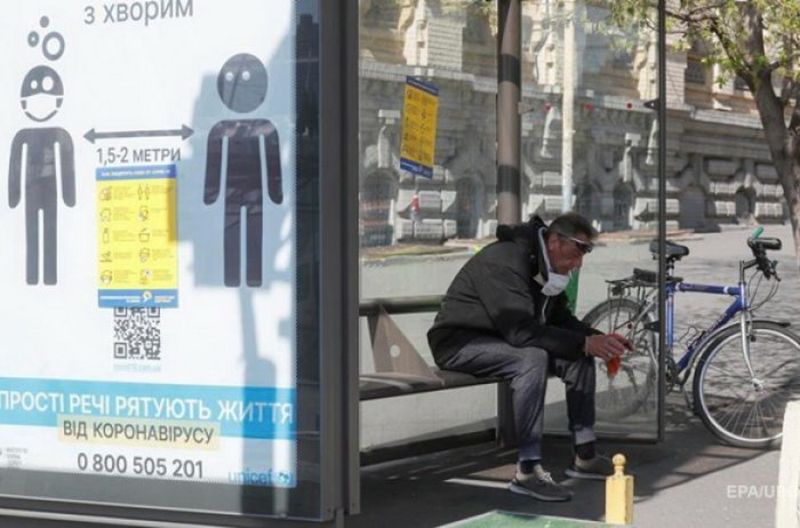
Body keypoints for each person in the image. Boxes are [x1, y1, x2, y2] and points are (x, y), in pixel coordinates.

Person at [427, 212, 632, 502]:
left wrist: (598, 339)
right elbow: (520, 332)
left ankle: (585, 455)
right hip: (460, 343)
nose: (579, 263)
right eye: (577, 251)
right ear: (555, 241)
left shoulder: (544, 264)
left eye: (585, 253)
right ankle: (527, 471)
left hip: (503, 340)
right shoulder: (506, 260)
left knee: (577, 356)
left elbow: (561, 320)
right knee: (532, 358)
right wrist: (585, 342)